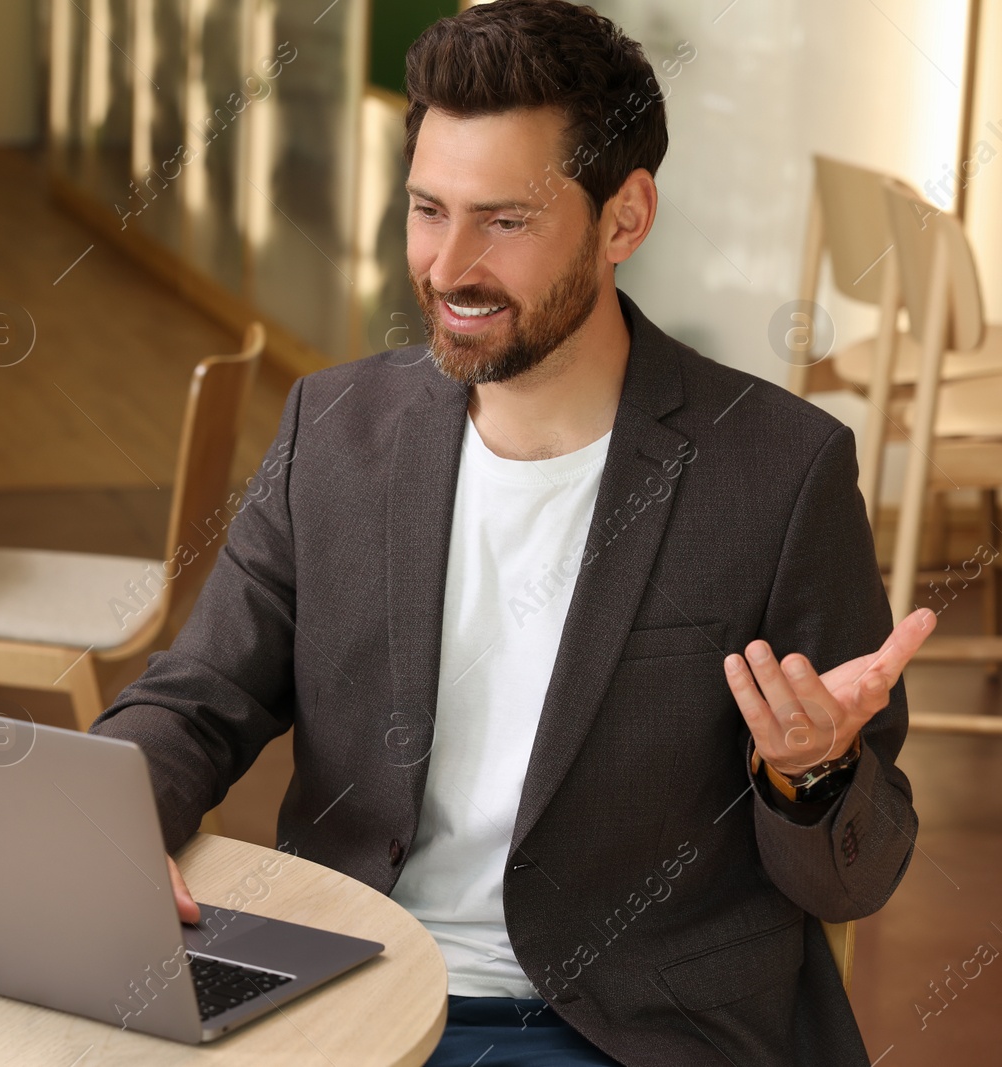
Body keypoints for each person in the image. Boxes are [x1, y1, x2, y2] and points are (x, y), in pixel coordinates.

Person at [92, 2, 932, 1063]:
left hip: (622, 1028)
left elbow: (856, 874)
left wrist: (808, 773)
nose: (446, 267)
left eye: (504, 220)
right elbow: (195, 698)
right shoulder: (335, 429)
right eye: (428, 209)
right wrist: (108, 819)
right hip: (349, 992)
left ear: (623, 220)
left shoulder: (776, 470)